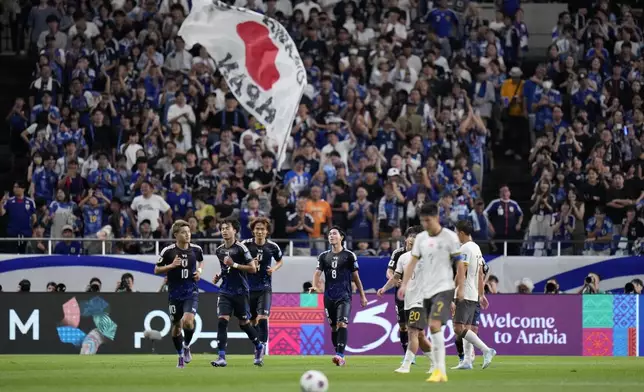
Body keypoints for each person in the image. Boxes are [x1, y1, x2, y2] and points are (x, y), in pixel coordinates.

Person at [398, 202, 461, 383]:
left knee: (419, 329)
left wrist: (458, 290)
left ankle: (409, 365)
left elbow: (457, 266)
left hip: (435, 292)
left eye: (428, 220)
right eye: (422, 221)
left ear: (436, 217)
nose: (425, 224)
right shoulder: (418, 245)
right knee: (423, 334)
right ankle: (436, 364)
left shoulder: (449, 238)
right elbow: (410, 264)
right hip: (418, 296)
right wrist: (403, 285)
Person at [377, 225, 434, 374]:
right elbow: (395, 277)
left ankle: (406, 365)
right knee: (420, 335)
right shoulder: (402, 257)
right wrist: (384, 288)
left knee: (413, 332)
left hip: (421, 302)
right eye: (408, 243)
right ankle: (436, 362)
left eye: (413, 243)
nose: (409, 245)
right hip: (408, 301)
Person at [310, 227, 368, 367]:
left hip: (344, 295)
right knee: (334, 327)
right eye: (329, 234)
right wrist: (314, 285)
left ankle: (340, 355)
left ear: (341, 237)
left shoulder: (349, 255)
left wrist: (362, 296)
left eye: (334, 233)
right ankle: (339, 354)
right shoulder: (323, 256)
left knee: (342, 323)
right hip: (329, 296)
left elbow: (356, 277)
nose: (331, 236)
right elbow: (317, 273)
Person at [211, 218, 264, 367]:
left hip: (240, 290)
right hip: (225, 290)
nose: (224, 231)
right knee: (222, 321)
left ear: (235, 230)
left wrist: (233, 264)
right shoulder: (219, 250)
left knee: (244, 323)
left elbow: (252, 268)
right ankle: (221, 357)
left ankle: (259, 346)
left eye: (227, 228)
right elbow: (225, 268)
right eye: (222, 228)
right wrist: (219, 276)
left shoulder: (241, 248)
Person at [154, 220, 204, 368]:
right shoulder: (168, 251)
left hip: (191, 291)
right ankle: (180, 355)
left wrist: (199, 271)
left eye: (188, 232)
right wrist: (171, 266)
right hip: (175, 294)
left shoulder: (196, 249)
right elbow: (156, 269)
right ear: (176, 234)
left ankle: (187, 346)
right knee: (176, 326)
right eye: (183, 232)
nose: (187, 235)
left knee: (188, 321)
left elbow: (201, 262)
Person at [451, 220, 496, 370]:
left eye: (456, 232)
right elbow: (481, 274)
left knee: (458, 328)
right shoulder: (476, 248)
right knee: (468, 328)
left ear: (462, 233)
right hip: (473, 293)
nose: (456, 235)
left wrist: (457, 291)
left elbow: (461, 272)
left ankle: (486, 350)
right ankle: (467, 362)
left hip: (465, 292)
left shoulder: (464, 249)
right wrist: (481, 294)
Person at [241, 217, 284, 351]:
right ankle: (257, 344)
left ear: (267, 232)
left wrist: (273, 269)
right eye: (257, 229)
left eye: (262, 229)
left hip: (264, 287)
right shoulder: (245, 245)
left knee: (263, 317)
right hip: (248, 288)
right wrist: (249, 264)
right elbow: (236, 261)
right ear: (253, 231)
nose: (260, 231)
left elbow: (280, 261)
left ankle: (262, 348)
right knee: (252, 321)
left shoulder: (272, 246)